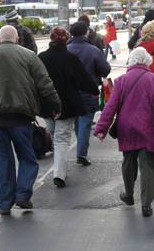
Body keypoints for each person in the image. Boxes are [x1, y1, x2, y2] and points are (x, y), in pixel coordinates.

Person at [94, 47, 154, 217]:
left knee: (128, 161)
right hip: (148, 127)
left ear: (131, 62)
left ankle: (128, 195)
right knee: (148, 165)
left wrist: (101, 129)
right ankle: (146, 205)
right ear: (147, 61)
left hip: (126, 127)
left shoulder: (121, 81)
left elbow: (110, 107)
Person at [0, 25, 61, 215]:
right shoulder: (29, 56)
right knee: (27, 156)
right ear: (16, 40)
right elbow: (45, 84)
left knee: (2, 159)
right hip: (21, 116)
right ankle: (23, 194)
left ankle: (4, 203)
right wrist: (56, 106)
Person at [38, 26, 100, 188]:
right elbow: (82, 78)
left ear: (51, 39)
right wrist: (94, 91)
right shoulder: (69, 58)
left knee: (55, 136)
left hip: (45, 105)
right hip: (67, 105)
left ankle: (61, 171)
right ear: (65, 41)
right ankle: (59, 174)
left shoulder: (41, 57)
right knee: (62, 139)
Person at [68, 21, 111, 166]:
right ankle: (81, 154)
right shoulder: (93, 50)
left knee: (76, 122)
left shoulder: (66, 49)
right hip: (89, 92)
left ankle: (80, 149)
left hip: (70, 94)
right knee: (85, 123)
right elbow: (105, 70)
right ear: (86, 33)